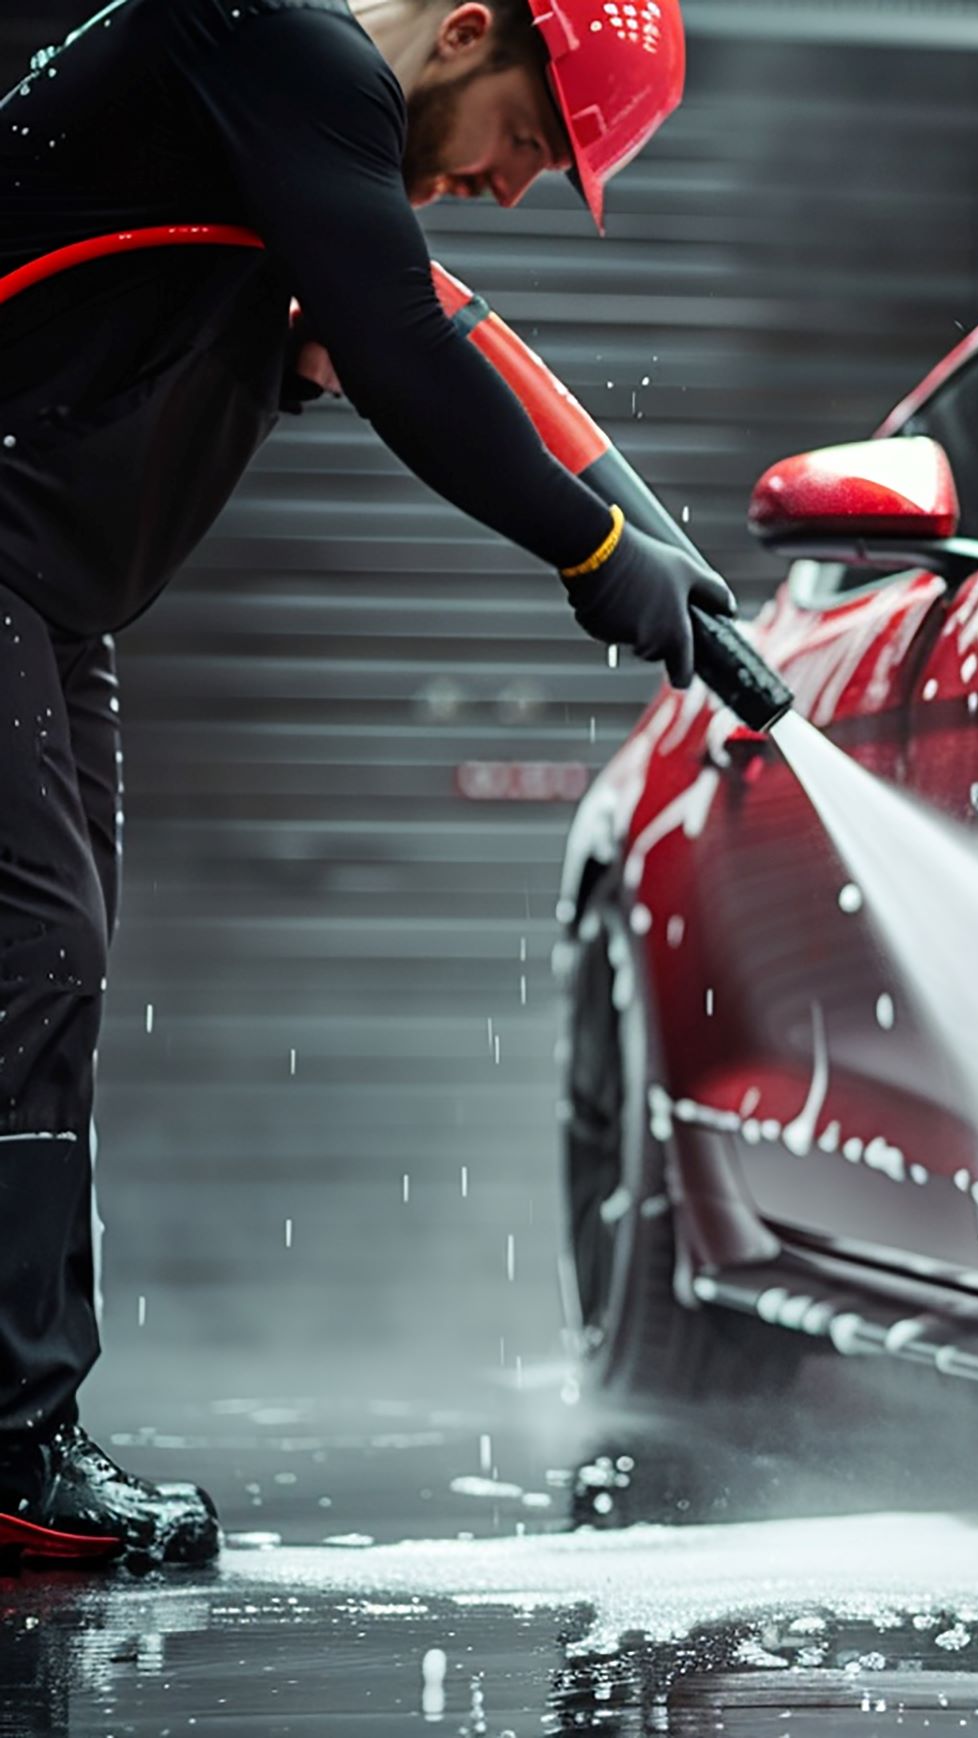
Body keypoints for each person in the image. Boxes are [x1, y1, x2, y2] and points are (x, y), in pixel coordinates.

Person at [0, 0, 729, 1566]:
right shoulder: (289, 49)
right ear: (469, 33)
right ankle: (11, 1447)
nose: (515, 187)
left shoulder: (284, 141)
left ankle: (31, 1430)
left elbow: (458, 335)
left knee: (48, 985)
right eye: (530, 143)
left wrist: (671, 553)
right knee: (34, 959)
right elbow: (409, 343)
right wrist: (598, 557)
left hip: (49, 593)